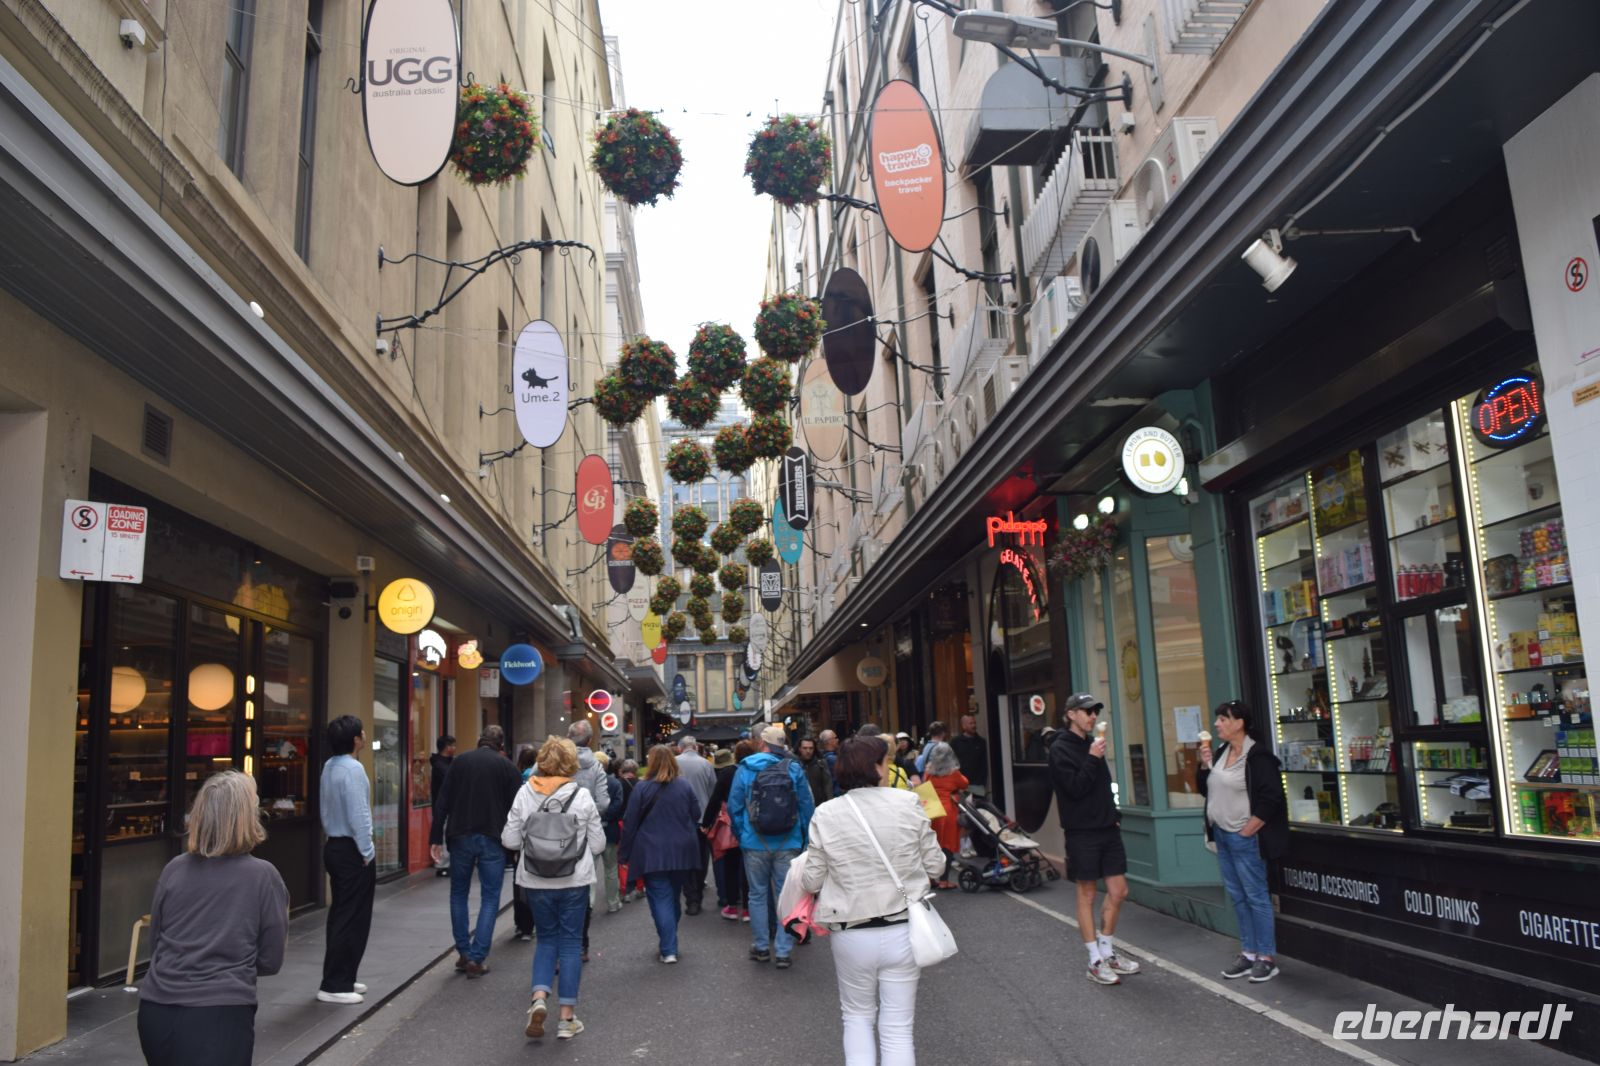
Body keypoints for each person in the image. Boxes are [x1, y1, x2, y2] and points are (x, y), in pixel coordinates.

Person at [799, 737, 946, 1066]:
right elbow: (937, 865)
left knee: (857, 1018)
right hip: (903, 928)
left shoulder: (826, 813)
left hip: (851, 931)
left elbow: (812, 880)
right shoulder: (907, 804)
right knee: (897, 1027)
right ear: (876, 767)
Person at [137, 771, 289, 1066]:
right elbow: (271, 960)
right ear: (246, 818)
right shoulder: (262, 876)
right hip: (220, 1014)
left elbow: (156, 943)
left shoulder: (174, 869)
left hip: (156, 1011)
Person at [502, 736, 605, 1042]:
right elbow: (598, 843)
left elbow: (509, 840)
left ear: (542, 762)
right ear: (572, 763)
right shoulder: (582, 797)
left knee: (545, 940)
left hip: (535, 880)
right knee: (571, 944)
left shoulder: (525, 793)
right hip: (574, 880)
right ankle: (567, 1019)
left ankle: (538, 998)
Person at [1047, 693, 1141, 986]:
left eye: (1095, 711)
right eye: (1087, 711)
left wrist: (1115, 814)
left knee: (1119, 891)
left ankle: (1108, 950)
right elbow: (1074, 788)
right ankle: (1094, 960)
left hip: (1107, 828)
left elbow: (1102, 785)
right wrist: (1091, 758)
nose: (1092, 716)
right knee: (1087, 894)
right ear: (1071, 714)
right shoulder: (1060, 748)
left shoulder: (1092, 745)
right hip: (1082, 832)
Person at [1197, 700, 1289, 984]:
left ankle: (1266, 958)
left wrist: (1248, 830)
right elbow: (1205, 789)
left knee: (1256, 896)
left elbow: (1273, 798)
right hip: (1223, 836)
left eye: (1223, 719)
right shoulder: (1222, 751)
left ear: (1239, 723)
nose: (1217, 724)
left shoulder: (1258, 757)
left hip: (1243, 837)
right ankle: (1248, 953)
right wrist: (1204, 765)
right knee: (1237, 896)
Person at [429, 725, 521, 977]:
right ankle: (477, 957)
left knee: (458, 893)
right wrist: (515, 844)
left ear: (480, 738)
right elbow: (516, 811)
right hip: (493, 837)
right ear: (501, 744)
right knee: (490, 897)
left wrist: (435, 836)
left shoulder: (460, 763)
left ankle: (463, 951)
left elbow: (442, 801)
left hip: (460, 835)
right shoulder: (507, 768)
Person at [728, 725, 814, 968]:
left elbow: (735, 807)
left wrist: (741, 833)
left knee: (756, 895)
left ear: (761, 743)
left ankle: (762, 946)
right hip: (789, 841)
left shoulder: (745, 768)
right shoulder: (794, 768)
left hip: (754, 842)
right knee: (786, 896)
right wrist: (806, 838)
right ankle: (784, 951)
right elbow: (806, 806)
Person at [618, 745, 703, 963]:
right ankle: (669, 940)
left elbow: (630, 823)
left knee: (660, 898)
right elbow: (696, 813)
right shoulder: (684, 786)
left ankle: (668, 947)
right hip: (682, 850)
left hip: (651, 851)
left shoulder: (642, 788)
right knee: (673, 896)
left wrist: (624, 854)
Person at [318, 714, 375, 1004]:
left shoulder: (330, 766)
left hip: (334, 845)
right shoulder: (353, 769)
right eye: (362, 732)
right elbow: (359, 815)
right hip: (352, 849)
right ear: (356, 739)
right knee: (353, 917)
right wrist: (367, 850)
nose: (364, 735)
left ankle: (343, 977)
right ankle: (336, 984)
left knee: (342, 913)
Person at [702, 743, 750, 920]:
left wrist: (706, 822)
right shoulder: (753, 771)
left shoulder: (726, 773)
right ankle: (747, 909)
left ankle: (731, 906)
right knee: (748, 868)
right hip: (750, 826)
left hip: (730, 825)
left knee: (730, 866)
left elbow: (715, 800)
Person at [675, 735, 718, 916]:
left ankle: (690, 895)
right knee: (701, 859)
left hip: (679, 821)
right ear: (696, 747)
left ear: (680, 748)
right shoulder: (706, 764)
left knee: (684, 860)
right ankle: (697, 895)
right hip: (702, 820)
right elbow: (713, 792)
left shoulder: (673, 763)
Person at [920, 741, 967, 890]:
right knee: (947, 846)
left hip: (932, 811)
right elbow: (965, 783)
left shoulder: (929, 772)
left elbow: (923, 784)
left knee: (932, 845)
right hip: (947, 812)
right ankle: (944, 880)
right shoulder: (953, 773)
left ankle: (931, 878)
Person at [511, 745, 539, 940]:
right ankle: (532, 923)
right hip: (537, 837)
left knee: (519, 881)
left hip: (521, 837)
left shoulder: (516, 778)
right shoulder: (539, 780)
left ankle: (521, 925)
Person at [598, 752, 626, 914]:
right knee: (611, 868)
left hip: (592, 830)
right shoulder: (614, 783)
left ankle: (589, 904)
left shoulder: (584, 782)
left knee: (589, 869)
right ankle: (613, 902)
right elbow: (618, 804)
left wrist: (596, 819)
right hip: (610, 829)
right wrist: (607, 817)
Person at [430, 734, 457, 877]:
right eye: (453, 745)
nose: (455, 748)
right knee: (443, 832)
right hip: (442, 806)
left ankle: (446, 863)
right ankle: (442, 864)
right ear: (447, 747)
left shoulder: (448, 762)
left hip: (448, 805)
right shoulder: (440, 764)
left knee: (446, 832)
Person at [949, 715, 989, 798]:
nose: (974, 725)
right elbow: (951, 762)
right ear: (964, 726)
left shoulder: (981, 742)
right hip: (961, 785)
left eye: (974, 723)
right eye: (971, 723)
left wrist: (982, 781)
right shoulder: (955, 742)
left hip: (978, 785)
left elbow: (984, 763)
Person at [798, 735, 834, 807]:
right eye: (805, 748)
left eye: (811, 748)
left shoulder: (821, 764)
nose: (808, 751)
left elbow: (828, 786)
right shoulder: (795, 765)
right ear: (800, 749)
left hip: (819, 806)